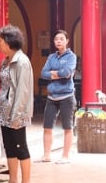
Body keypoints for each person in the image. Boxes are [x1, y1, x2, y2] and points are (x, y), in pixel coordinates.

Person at [0, 24, 33, 183]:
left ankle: (25, 181)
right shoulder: (6, 61)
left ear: (9, 41)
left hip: (16, 111)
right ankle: (13, 180)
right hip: (5, 110)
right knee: (9, 148)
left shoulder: (22, 62)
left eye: (0, 41)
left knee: (21, 148)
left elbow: (22, 92)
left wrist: (16, 116)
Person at [37, 30, 77, 164]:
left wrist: (53, 73)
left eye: (61, 39)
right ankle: (46, 155)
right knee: (47, 127)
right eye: (56, 39)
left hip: (67, 95)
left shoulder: (71, 56)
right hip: (52, 96)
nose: (58, 41)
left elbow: (67, 72)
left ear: (67, 41)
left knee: (67, 126)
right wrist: (58, 74)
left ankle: (65, 156)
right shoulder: (51, 57)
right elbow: (43, 73)